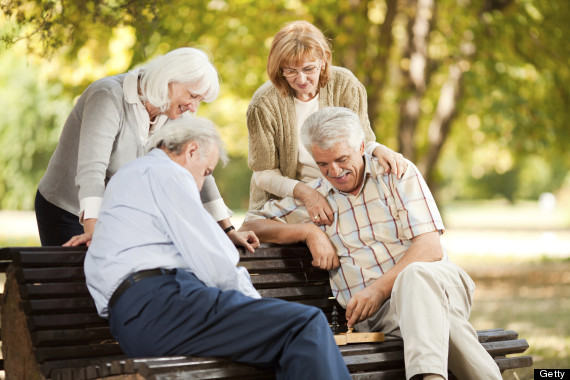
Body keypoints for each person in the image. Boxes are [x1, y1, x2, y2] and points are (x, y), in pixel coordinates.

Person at [241, 107, 503, 380]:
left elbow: (430, 248)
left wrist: (377, 289)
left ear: (363, 147)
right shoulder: (315, 199)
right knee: (440, 325)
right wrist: (308, 231)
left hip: (438, 284)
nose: (335, 171)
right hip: (380, 316)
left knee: (414, 277)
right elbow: (250, 226)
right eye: (323, 164)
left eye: (342, 159)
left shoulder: (396, 173)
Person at [84, 117, 351, 380]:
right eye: (206, 172)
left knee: (289, 345)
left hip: (140, 316)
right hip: (163, 306)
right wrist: (255, 308)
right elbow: (216, 261)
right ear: (191, 150)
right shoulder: (167, 173)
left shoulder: (132, 174)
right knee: (305, 324)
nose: (200, 185)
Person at [35, 47, 253, 251]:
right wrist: (93, 233)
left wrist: (227, 230)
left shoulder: (176, 116)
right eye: (192, 95)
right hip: (67, 207)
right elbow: (92, 171)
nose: (194, 107)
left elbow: (201, 170)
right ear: (169, 79)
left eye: (200, 100)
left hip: (113, 214)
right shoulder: (109, 97)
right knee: (74, 284)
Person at [247, 20, 407, 226]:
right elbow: (263, 173)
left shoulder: (345, 84)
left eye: (309, 68)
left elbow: (362, 141)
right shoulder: (263, 103)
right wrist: (307, 193)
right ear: (279, 69)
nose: (301, 79)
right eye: (291, 71)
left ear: (323, 60)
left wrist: (378, 149)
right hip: (287, 197)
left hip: (342, 186)